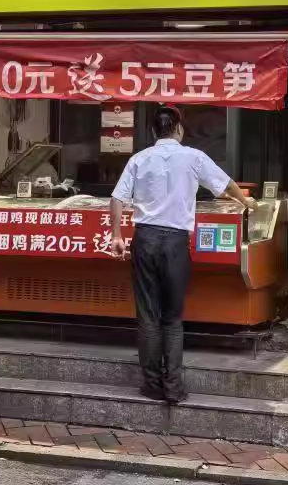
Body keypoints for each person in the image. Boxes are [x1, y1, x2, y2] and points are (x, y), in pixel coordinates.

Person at [110, 105, 257, 404]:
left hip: (145, 239)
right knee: (173, 318)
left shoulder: (139, 159)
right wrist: (247, 203)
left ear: (154, 131)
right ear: (179, 129)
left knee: (148, 316)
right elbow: (227, 185)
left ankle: (152, 384)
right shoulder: (194, 157)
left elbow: (116, 198)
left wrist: (116, 236)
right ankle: (173, 387)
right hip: (176, 243)